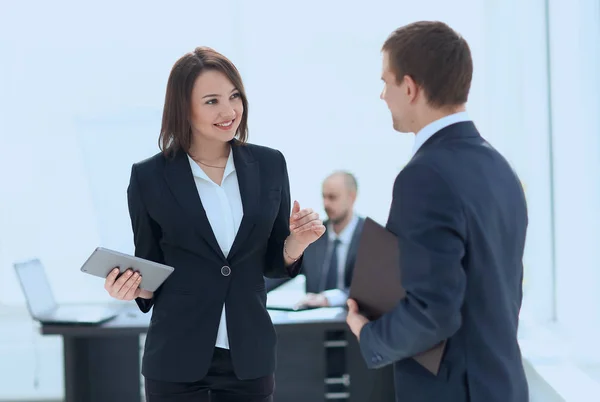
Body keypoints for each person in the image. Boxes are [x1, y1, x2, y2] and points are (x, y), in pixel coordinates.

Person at [103, 46, 325, 402]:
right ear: (183, 107)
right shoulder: (149, 177)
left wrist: (298, 242)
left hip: (249, 357)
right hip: (176, 360)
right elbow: (151, 267)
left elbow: (272, 261)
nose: (229, 111)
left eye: (234, 96)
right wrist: (130, 288)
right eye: (211, 101)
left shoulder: (270, 165)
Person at [345, 21, 529, 402]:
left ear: (409, 88)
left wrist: (368, 333)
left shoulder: (424, 176)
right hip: (501, 387)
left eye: (386, 82)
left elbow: (433, 313)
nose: (382, 95)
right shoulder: (500, 168)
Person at [267, 171, 364, 308]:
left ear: (351, 197)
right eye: (323, 197)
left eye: (332, 197)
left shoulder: (371, 238)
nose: (326, 204)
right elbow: (278, 273)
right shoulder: (312, 235)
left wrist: (328, 299)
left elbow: (374, 289)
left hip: (354, 323)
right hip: (315, 326)